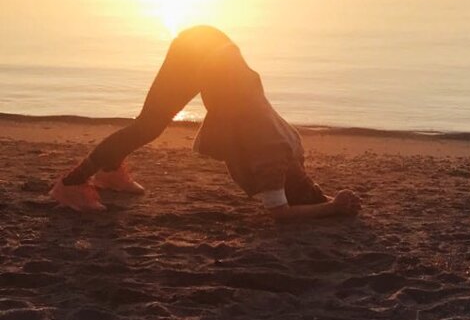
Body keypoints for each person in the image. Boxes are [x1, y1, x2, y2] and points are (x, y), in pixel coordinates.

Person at [50, 25, 362, 222]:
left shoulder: (287, 153)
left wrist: (329, 202)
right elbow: (281, 213)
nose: (313, 183)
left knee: (151, 124)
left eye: (309, 187)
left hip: (211, 48)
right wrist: (330, 206)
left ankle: (110, 170)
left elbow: (286, 206)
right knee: (149, 125)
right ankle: (72, 183)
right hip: (203, 53)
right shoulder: (276, 161)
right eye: (315, 186)